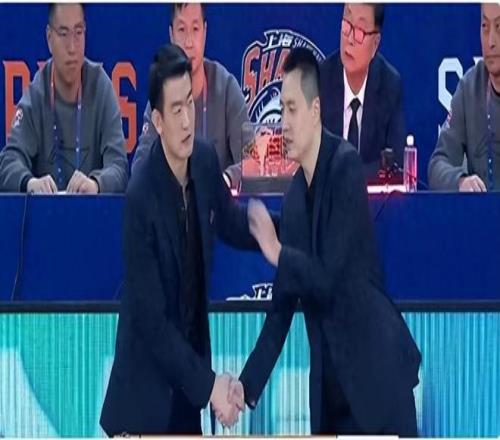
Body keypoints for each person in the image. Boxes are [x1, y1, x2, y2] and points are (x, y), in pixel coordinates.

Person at [232, 48, 420, 435]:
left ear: (315, 110)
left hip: (376, 382)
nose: (283, 123)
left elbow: (330, 280)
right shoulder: (294, 198)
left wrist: (278, 250)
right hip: (331, 395)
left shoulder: (345, 167)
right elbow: (281, 311)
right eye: (281, 111)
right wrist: (244, 388)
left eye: (292, 109)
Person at [100, 44, 252, 436]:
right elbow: (153, 323)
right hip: (143, 405)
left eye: (190, 104)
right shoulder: (140, 197)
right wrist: (211, 386)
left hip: (187, 398)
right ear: (157, 121)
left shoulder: (204, 161)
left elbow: (232, 223)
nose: (187, 121)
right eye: (176, 110)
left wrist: (286, 231)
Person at [0, 3, 128, 194]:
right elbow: (8, 162)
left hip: (91, 210)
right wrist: (30, 183)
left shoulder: (101, 87)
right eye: (63, 34)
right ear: (49, 38)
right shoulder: (37, 93)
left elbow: (119, 167)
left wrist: (96, 184)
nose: (72, 47)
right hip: (46, 210)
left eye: (78, 33)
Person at [131, 3, 249, 189]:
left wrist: (225, 180)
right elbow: (139, 169)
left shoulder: (226, 88)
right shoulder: (163, 93)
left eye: (195, 29)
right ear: (171, 35)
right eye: (181, 30)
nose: (189, 42)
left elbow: (252, 161)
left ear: (205, 32)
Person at [319, 3, 406, 180]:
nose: (350, 39)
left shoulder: (389, 85)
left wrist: (349, 177)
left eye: (360, 31)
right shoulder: (321, 80)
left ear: (375, 43)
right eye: (347, 24)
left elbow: (395, 164)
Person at [428, 3, 500, 191]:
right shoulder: (470, 88)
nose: (491, 41)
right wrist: (460, 182)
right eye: (485, 27)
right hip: (484, 209)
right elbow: (437, 165)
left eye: (499, 27)